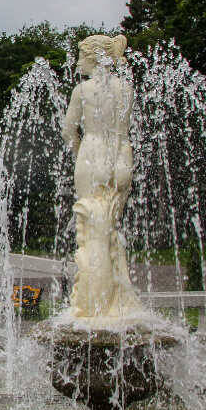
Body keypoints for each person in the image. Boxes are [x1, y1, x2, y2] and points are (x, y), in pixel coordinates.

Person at [60, 34, 142, 323]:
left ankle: (94, 301)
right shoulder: (126, 88)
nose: (78, 62)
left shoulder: (82, 90)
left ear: (93, 57)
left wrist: (80, 151)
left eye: (81, 56)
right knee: (109, 229)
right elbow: (125, 127)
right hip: (120, 154)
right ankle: (116, 300)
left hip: (92, 153)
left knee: (92, 230)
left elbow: (69, 131)